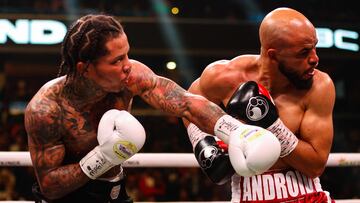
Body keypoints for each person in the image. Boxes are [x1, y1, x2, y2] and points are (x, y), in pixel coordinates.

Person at [24, 14, 281, 203]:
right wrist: (103, 157)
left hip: (114, 192)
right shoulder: (47, 109)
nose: (127, 65)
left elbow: (186, 103)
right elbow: (49, 185)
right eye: (116, 60)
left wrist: (236, 131)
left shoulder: (130, 77)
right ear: (85, 68)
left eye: (127, 55)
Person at [183, 7, 335, 202]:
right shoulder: (224, 77)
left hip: (307, 195)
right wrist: (202, 142)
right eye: (303, 52)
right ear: (272, 55)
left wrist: (271, 124)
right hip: (249, 195)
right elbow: (188, 105)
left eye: (315, 47)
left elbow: (315, 166)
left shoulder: (319, 86)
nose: (314, 59)